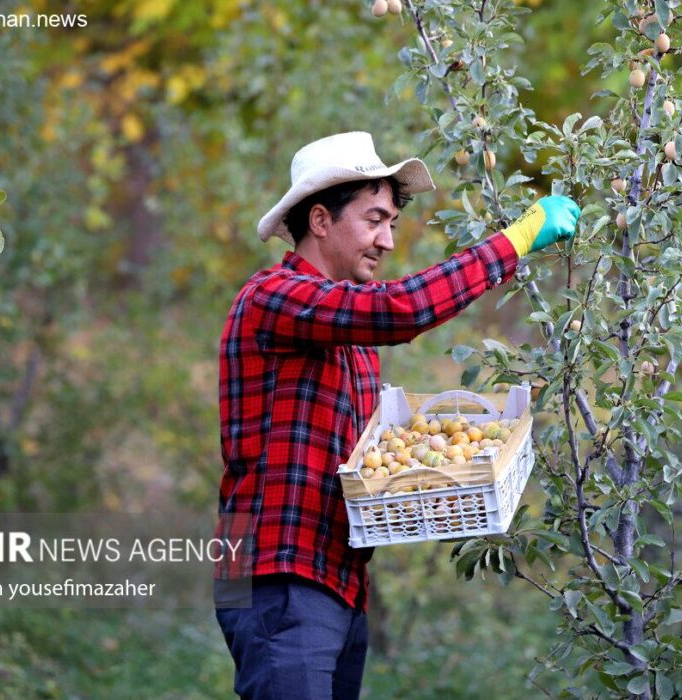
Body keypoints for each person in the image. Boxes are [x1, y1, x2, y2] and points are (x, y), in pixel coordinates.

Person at [214, 131, 579, 699]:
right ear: (320, 220)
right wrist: (516, 240)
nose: (386, 241)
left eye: (391, 223)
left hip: (336, 577)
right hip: (276, 569)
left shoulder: (351, 343)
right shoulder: (273, 295)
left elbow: (370, 465)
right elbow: (403, 309)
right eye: (374, 220)